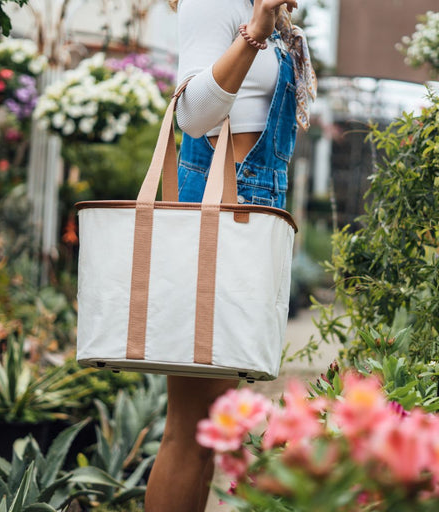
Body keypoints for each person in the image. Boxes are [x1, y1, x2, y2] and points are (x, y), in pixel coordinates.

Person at [144, 0, 315, 510]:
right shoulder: (214, 2)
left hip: (249, 216)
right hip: (216, 211)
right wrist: (256, 30)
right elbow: (192, 116)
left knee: (208, 430)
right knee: (191, 427)